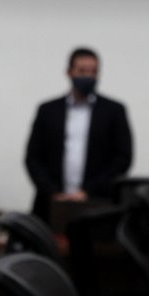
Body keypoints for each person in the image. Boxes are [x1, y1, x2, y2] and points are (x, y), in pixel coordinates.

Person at [24, 47, 134, 222]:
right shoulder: (48, 110)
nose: (88, 76)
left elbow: (122, 158)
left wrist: (88, 192)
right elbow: (33, 157)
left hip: (97, 203)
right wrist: (53, 192)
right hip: (51, 203)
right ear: (69, 72)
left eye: (93, 72)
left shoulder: (113, 111)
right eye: (82, 71)